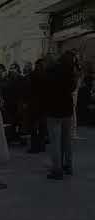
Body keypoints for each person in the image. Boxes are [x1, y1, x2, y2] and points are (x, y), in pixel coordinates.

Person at [45, 51, 78, 180]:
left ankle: (57, 170)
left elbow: (45, 90)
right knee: (67, 141)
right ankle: (68, 166)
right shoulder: (70, 72)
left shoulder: (50, 71)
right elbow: (73, 88)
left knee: (55, 142)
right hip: (67, 110)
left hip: (54, 111)